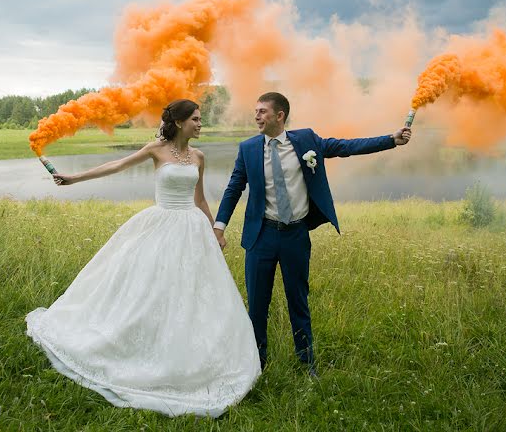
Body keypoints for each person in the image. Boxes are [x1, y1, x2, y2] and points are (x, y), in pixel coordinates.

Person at [26, 99, 260, 418]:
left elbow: (200, 197)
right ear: (178, 122)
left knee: (191, 294)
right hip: (160, 224)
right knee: (148, 289)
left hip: (192, 230)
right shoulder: (156, 149)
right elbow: (115, 166)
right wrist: (73, 178)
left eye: (201, 119)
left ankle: (188, 353)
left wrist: (215, 230)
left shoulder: (199, 156)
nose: (200, 123)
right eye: (195, 119)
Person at [213, 92, 411, 377]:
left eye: (262, 111)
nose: (256, 116)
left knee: (299, 302)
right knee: (257, 306)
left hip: (295, 236)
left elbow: (347, 146)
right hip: (261, 237)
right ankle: (256, 366)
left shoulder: (306, 141)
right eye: (255, 111)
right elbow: (234, 188)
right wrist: (219, 227)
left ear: (279, 116)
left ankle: (308, 365)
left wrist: (391, 140)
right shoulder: (248, 149)